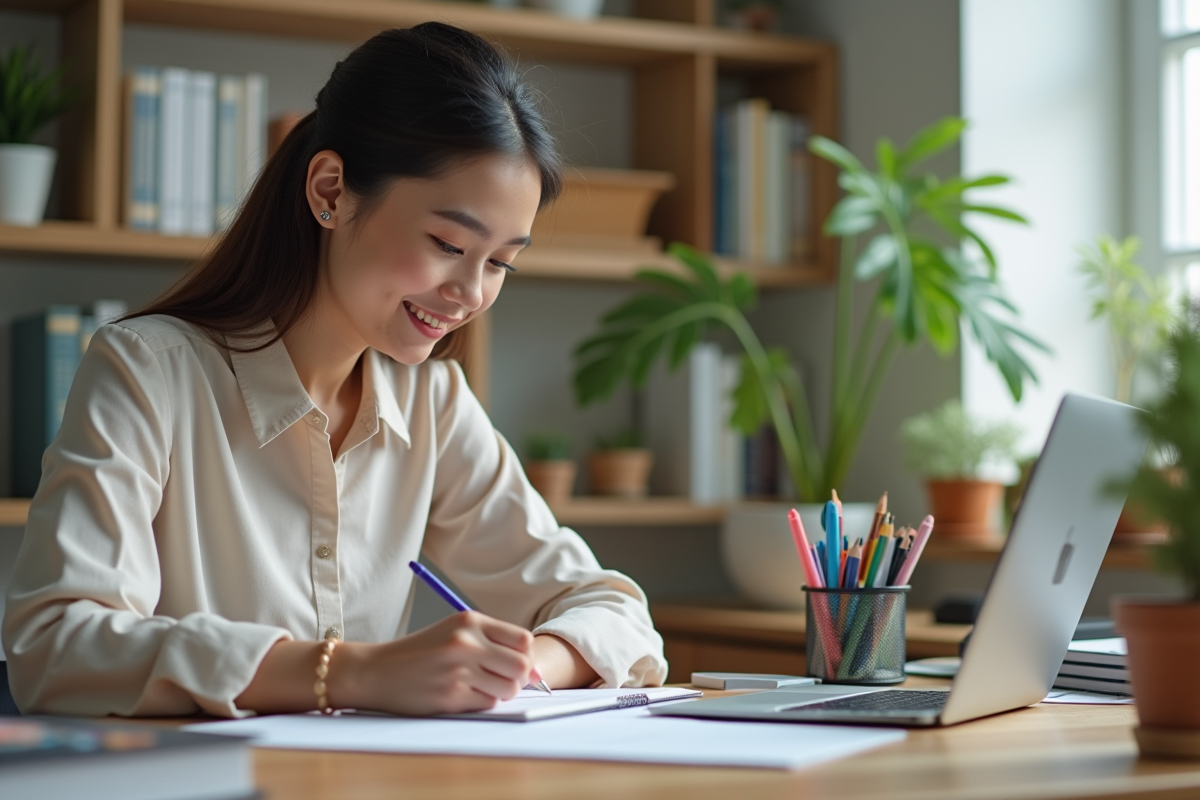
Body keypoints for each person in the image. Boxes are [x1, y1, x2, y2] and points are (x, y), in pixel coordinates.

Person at [2, 23, 667, 719]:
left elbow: (610, 608)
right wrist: (348, 674)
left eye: (500, 261)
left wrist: (516, 667)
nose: (471, 294)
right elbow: (57, 647)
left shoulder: (431, 401)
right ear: (331, 190)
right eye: (448, 243)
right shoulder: (147, 372)